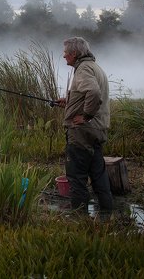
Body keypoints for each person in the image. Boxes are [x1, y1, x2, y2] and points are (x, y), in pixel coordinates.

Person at [56, 36, 113, 215]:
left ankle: (79, 219)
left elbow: (94, 92)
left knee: (76, 177)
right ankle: (106, 213)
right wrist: (70, 101)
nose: (63, 56)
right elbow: (89, 93)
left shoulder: (83, 69)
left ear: (74, 53)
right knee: (98, 174)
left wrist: (86, 116)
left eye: (65, 52)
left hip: (82, 131)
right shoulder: (94, 66)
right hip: (97, 130)